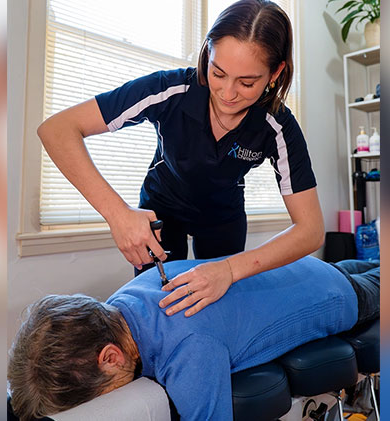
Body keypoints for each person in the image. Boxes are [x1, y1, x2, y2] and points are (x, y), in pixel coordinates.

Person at [37, 0, 324, 317]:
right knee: (160, 308)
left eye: (247, 82)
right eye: (218, 73)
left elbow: (310, 230)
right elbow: (57, 129)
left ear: (275, 72)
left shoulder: (277, 125)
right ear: (208, 53)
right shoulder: (169, 90)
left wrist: (228, 270)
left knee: (215, 309)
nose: (228, 93)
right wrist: (117, 214)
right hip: (162, 209)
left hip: (223, 216)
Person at [8, 256, 380, 420]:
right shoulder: (129, 296)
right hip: (307, 267)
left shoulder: (188, 351)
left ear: (110, 358)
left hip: (338, 299)